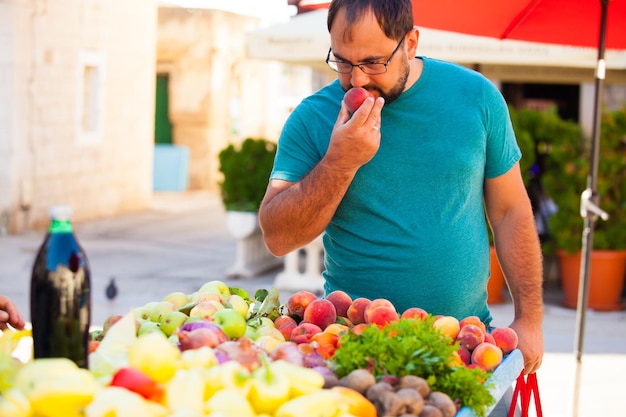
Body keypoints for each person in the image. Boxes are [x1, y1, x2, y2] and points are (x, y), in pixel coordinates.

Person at [259, 0, 543, 379]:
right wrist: (340, 162)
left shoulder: (476, 98)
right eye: (343, 61)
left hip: (466, 346)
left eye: (374, 62)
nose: (357, 80)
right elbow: (277, 237)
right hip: (352, 348)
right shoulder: (312, 117)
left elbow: (510, 211)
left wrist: (530, 319)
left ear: (410, 43)